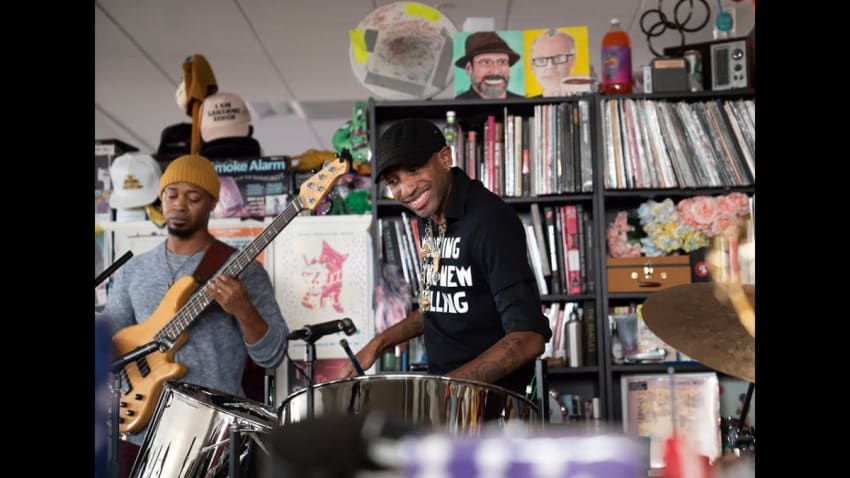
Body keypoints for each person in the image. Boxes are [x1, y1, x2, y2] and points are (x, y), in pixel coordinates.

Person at [96, 153, 289, 474]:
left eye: (193, 197)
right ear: (161, 198)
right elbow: (109, 344)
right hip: (140, 430)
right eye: (172, 194)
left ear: (213, 204)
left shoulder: (244, 271)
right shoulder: (135, 270)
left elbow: (272, 355)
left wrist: (244, 309)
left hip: (215, 430)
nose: (179, 204)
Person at [339, 119, 551, 395]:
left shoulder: (489, 221)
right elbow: (435, 307)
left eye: (414, 170)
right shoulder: (430, 217)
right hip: (449, 396)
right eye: (394, 181)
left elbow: (529, 337)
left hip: (490, 405)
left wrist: (445, 390)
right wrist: (377, 345)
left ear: (445, 158)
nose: (406, 190)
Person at [455, 31, 524, 100]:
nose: (495, 71)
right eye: (486, 62)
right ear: (469, 69)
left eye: (502, 62)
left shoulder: (524, 104)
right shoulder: (456, 106)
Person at [529, 28, 578, 97]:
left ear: (572, 62)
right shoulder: (525, 106)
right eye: (541, 60)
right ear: (532, 67)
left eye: (558, 58)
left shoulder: (584, 100)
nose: (550, 66)